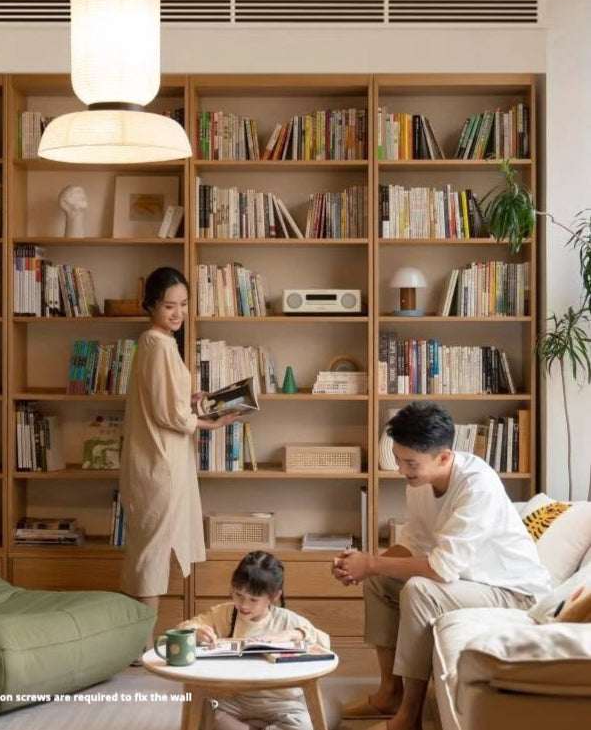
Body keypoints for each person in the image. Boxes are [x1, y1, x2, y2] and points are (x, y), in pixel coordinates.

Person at [332, 402, 550, 730]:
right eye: (399, 459)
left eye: (410, 463)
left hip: (511, 593)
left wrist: (372, 562)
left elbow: (439, 570)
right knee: (378, 581)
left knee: (421, 590)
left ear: (444, 456)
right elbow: (413, 545)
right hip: (468, 582)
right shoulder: (419, 484)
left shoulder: (477, 486)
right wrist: (360, 567)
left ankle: (409, 715)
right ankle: (389, 693)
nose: (402, 470)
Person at [120, 266, 239, 646]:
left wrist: (192, 401)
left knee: (149, 551)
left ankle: (135, 641)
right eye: (169, 305)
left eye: (184, 304)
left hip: (159, 459)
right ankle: (139, 644)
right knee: (152, 555)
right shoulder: (158, 344)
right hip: (160, 463)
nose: (178, 313)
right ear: (152, 306)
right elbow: (166, 413)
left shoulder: (157, 343)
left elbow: (163, 399)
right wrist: (209, 424)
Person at [177, 550, 331, 730]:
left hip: (280, 702)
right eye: (238, 595)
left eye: (253, 599)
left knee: (304, 725)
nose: (244, 605)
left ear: (274, 597)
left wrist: (295, 634)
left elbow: (324, 643)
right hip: (234, 698)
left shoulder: (286, 620)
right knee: (202, 708)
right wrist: (197, 632)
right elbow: (183, 628)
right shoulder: (226, 614)